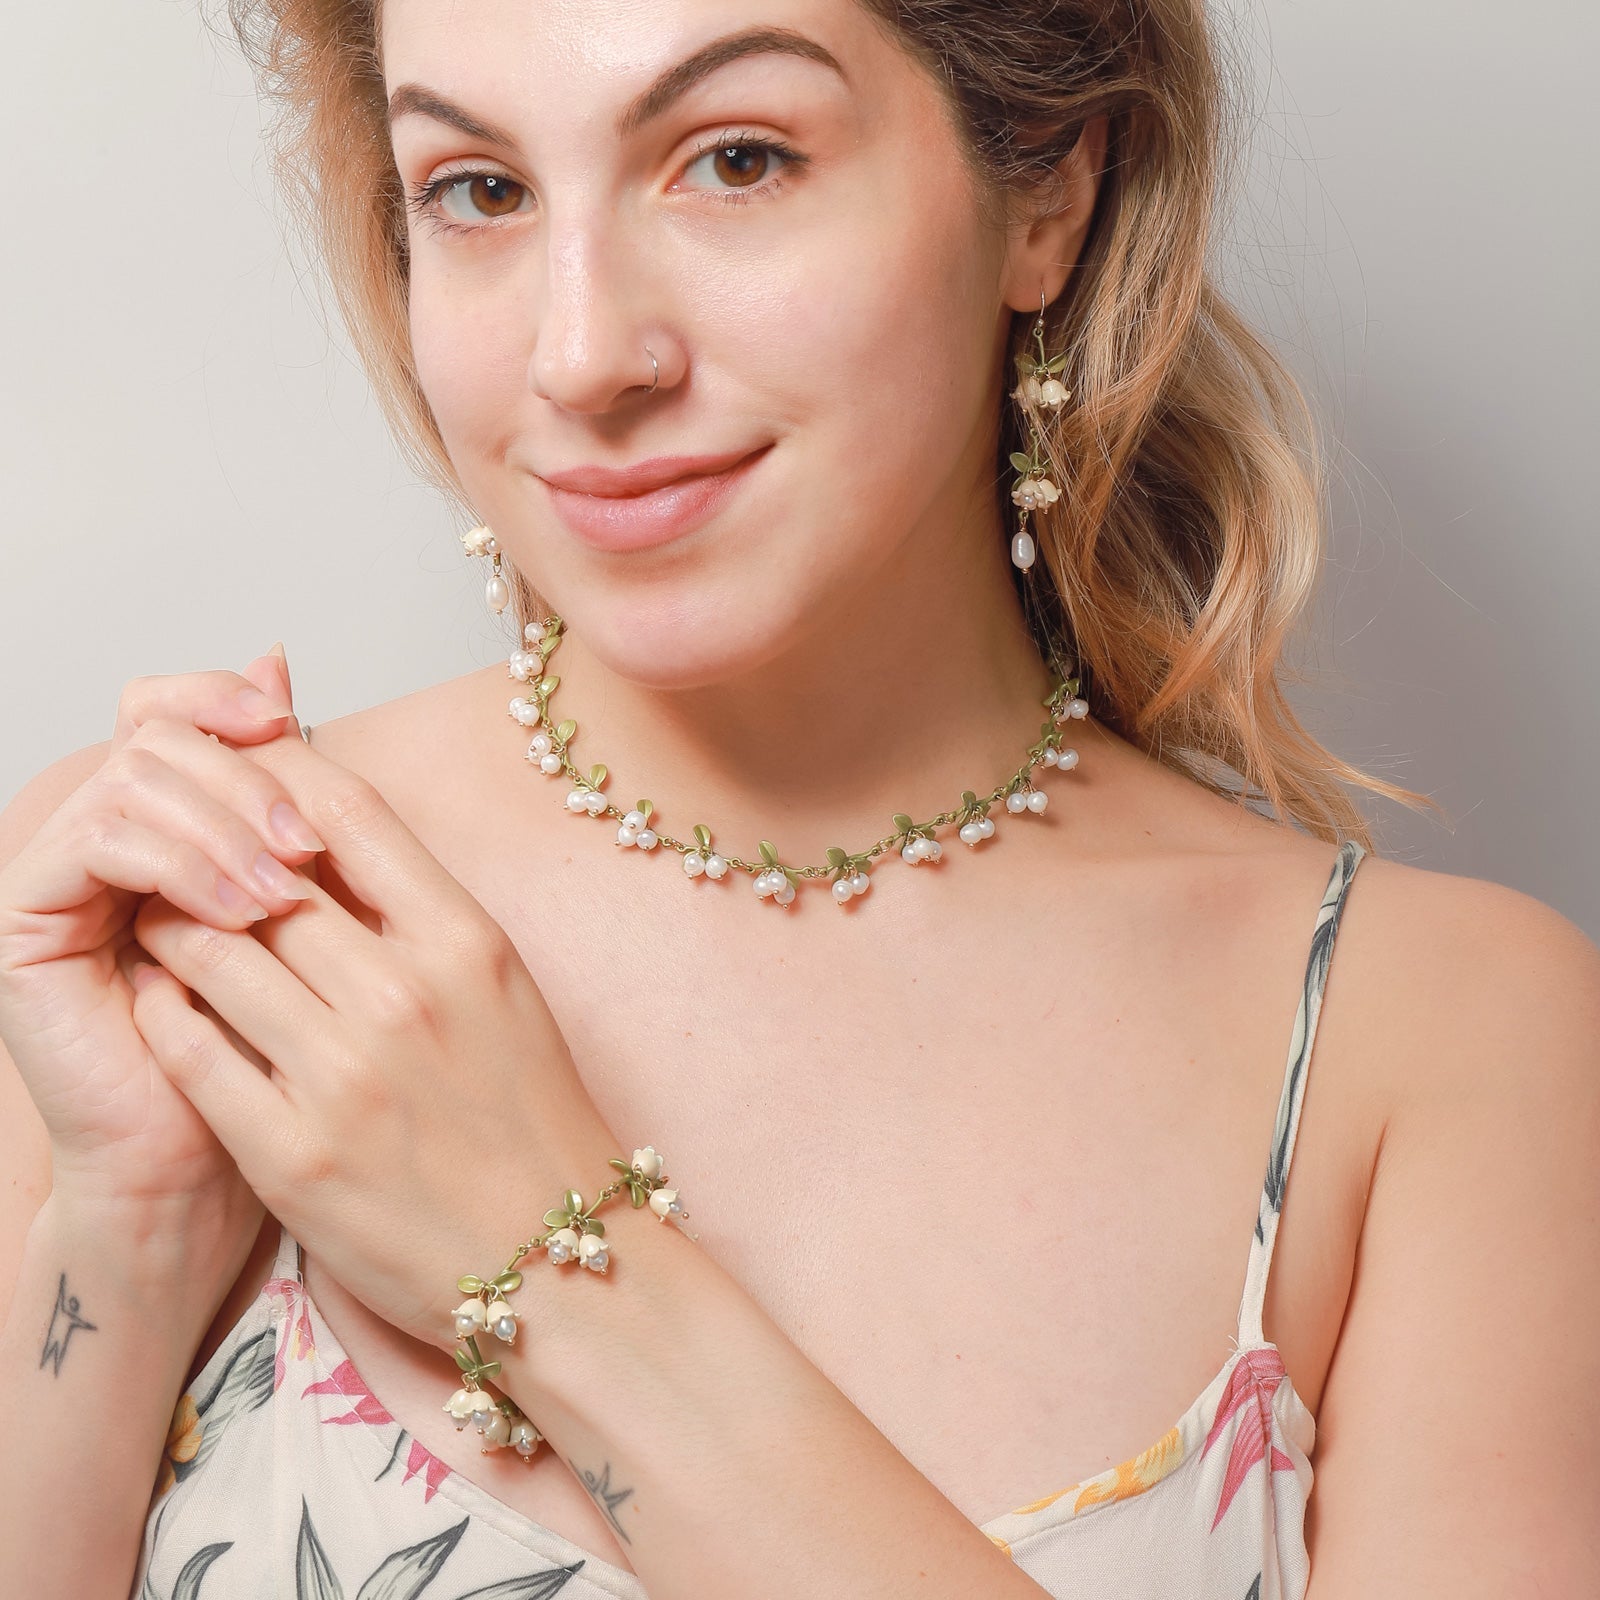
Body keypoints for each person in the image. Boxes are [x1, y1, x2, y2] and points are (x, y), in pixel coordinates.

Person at [1, 1, 1596, 1596]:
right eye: (480, 191)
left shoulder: (1433, 1045)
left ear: (1049, 189)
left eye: (738, 160)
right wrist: (123, 1234)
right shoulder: (195, 909)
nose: (583, 355)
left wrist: (551, 1262)